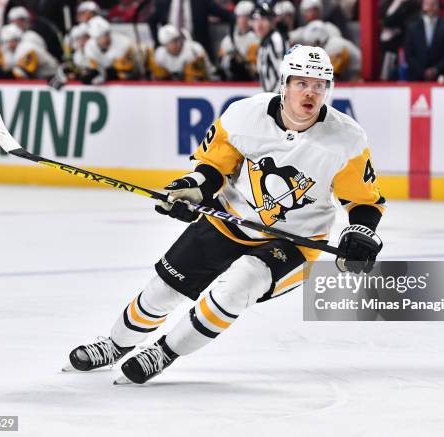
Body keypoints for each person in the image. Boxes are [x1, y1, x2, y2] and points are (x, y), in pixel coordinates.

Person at [65, 44, 386, 384]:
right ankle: (115, 345)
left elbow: (364, 201)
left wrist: (359, 233)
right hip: (229, 219)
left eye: (319, 85)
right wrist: (193, 187)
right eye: (302, 83)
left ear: (328, 90)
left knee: (240, 283)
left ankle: (164, 352)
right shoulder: (244, 116)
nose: (310, 92)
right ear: (285, 83)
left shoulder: (346, 139)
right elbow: (214, 168)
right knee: (164, 289)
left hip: (295, 243)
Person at [404, 0, 444, 81]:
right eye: (427, 4)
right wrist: (422, 72)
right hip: (417, 79)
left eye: (433, 4)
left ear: (439, 6)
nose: (430, 7)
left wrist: (436, 70)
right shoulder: (412, 27)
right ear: (422, 6)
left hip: (443, 77)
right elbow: (408, 54)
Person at [82, 16, 140, 83]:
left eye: (107, 34)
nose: (106, 38)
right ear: (95, 38)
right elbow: (94, 68)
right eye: (102, 36)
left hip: (129, 78)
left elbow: (127, 72)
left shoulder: (123, 43)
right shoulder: (90, 47)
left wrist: (107, 74)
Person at [150, 24, 214, 81]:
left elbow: (209, 71)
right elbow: (157, 79)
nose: (176, 44)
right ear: (164, 45)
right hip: (169, 88)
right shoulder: (159, 54)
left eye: (177, 40)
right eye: (171, 42)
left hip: (196, 86)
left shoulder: (194, 49)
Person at [218, 0, 259, 81]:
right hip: (232, 82)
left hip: (253, 81)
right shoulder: (227, 40)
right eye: (240, 16)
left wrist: (243, 63)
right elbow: (221, 64)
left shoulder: (259, 39)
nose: (243, 20)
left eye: (246, 16)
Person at [253, 2, 289, 92]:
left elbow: (284, 74)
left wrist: (274, 100)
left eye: (264, 19)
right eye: (256, 19)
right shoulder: (265, 41)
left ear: (273, 21)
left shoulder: (275, 39)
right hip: (270, 97)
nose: (259, 24)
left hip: (276, 98)